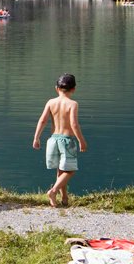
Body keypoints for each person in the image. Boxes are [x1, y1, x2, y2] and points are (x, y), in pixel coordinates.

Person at [32, 73, 86, 207]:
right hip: (67, 140)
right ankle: (53, 191)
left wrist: (36, 137)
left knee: (61, 171)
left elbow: (43, 120)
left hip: (53, 140)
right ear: (74, 89)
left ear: (56, 88)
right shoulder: (72, 104)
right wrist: (81, 140)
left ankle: (64, 198)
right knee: (70, 170)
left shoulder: (51, 102)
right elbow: (74, 124)